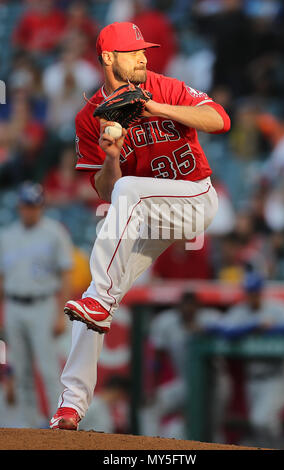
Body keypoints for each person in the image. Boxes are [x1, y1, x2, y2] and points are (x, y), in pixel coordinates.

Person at [50, 21, 230, 430]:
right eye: (134, 52)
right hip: (145, 213)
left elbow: (220, 119)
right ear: (110, 58)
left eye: (144, 50)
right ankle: (70, 406)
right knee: (96, 297)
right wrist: (112, 155)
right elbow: (105, 189)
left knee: (130, 191)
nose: (144, 56)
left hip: (193, 200)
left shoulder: (163, 86)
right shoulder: (90, 116)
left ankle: (100, 299)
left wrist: (154, 108)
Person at [0, 182, 73, 427]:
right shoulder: (6, 235)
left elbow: (66, 274)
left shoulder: (54, 232)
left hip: (43, 304)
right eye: (25, 205)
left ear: (41, 206)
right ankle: (27, 425)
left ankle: (58, 422)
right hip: (13, 304)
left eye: (34, 206)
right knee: (20, 369)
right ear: (19, 206)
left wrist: (60, 313)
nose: (29, 210)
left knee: (48, 367)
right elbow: (1, 277)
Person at [220, 272, 284, 448]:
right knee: (262, 425)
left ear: (261, 291)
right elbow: (225, 331)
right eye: (249, 292)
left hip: (279, 375)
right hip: (253, 379)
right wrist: (254, 326)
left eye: (255, 292)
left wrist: (273, 330)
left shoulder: (277, 307)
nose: (252, 296)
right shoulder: (240, 311)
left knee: (261, 420)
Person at [142, 291, 223, 439]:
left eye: (192, 307)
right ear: (178, 307)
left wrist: (206, 331)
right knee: (150, 408)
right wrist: (151, 388)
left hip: (213, 385)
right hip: (184, 382)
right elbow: (156, 358)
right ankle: (148, 447)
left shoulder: (211, 319)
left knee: (210, 429)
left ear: (198, 308)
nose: (187, 310)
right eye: (184, 307)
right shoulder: (166, 322)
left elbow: (229, 332)